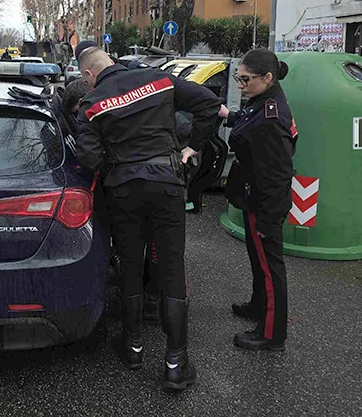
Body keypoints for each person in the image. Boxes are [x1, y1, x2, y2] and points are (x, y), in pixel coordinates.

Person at [74, 42, 220, 390]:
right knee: (171, 268)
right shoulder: (158, 79)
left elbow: (88, 158)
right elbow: (209, 105)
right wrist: (190, 148)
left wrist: (116, 164)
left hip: (123, 190)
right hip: (167, 184)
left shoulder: (91, 105)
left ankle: (133, 348)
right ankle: (176, 363)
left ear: (88, 74)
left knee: (130, 266)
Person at [219, 48, 298, 351]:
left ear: (267, 77)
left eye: (245, 79)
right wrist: (228, 116)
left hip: (266, 201)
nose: (240, 85)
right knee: (258, 258)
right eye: (237, 78)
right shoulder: (264, 99)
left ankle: (272, 333)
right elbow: (248, 121)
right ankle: (258, 305)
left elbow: (279, 173)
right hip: (255, 194)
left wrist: (268, 216)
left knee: (270, 267)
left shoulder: (272, 117)